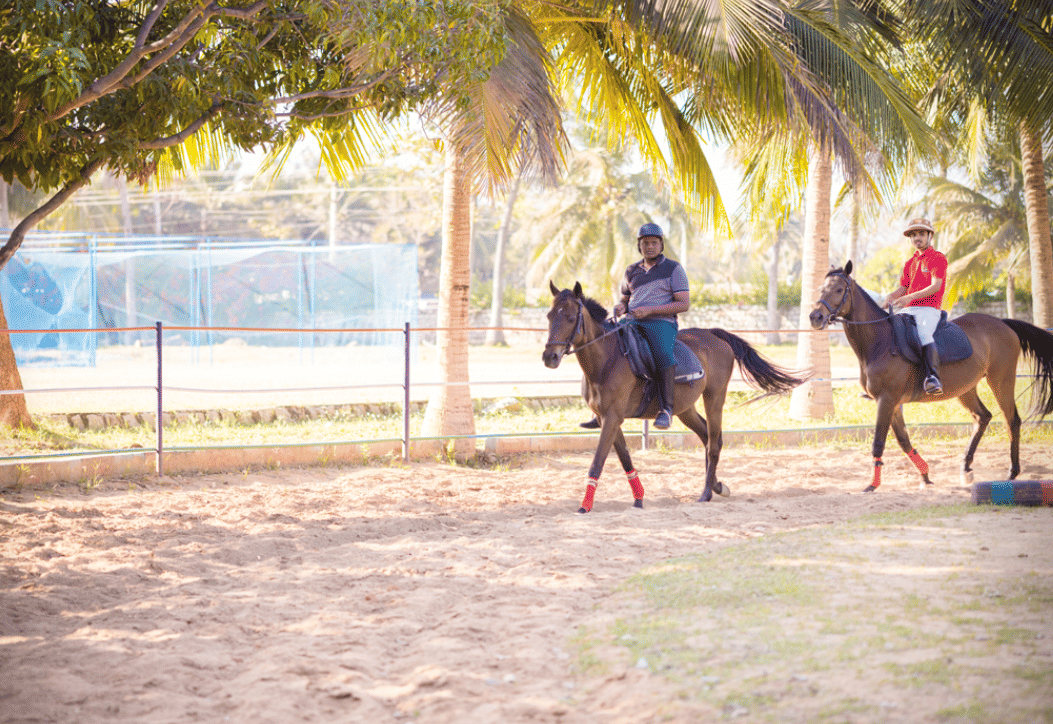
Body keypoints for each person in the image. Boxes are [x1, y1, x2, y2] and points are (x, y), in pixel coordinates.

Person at [580, 222, 690, 430]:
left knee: (662, 354)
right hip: (632, 320)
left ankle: (666, 409)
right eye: (646, 243)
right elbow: (625, 299)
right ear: (639, 246)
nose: (650, 246)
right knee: (606, 348)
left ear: (661, 245)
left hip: (661, 323)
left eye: (654, 243)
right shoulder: (631, 271)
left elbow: (683, 304)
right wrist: (621, 306)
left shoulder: (674, 269)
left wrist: (650, 310)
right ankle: (599, 408)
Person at [882, 217, 947, 395]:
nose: (917, 238)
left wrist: (909, 296)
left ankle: (933, 377)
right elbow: (903, 288)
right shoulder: (910, 263)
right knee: (887, 332)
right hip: (908, 309)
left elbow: (936, 286)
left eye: (921, 234)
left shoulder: (937, 258)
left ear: (929, 236)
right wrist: (890, 297)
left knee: (924, 334)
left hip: (929, 309)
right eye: (913, 235)